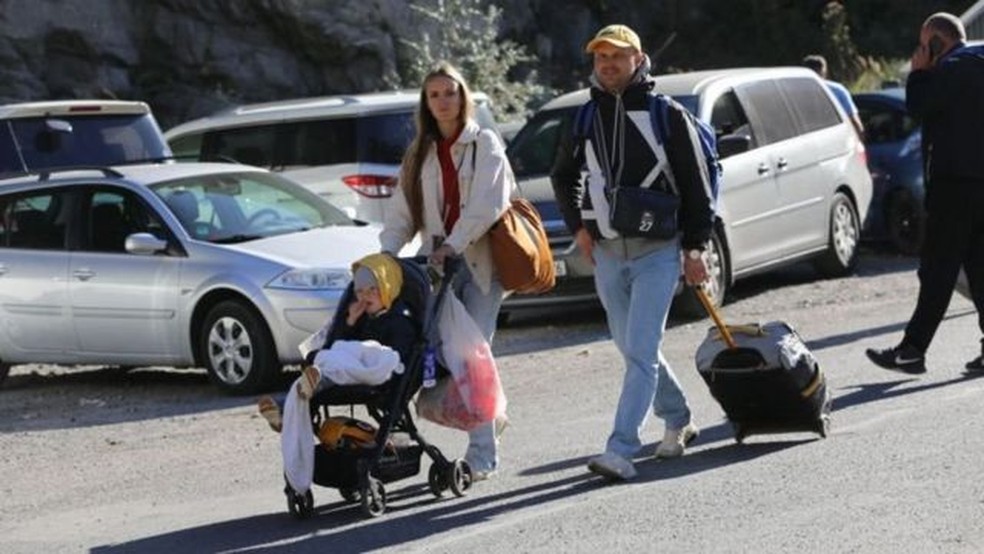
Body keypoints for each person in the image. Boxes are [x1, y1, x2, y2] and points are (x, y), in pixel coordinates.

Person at [551, 24, 715, 481]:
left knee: (641, 349)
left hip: (658, 251)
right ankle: (679, 417)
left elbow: (696, 185)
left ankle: (621, 449)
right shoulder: (584, 117)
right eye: (600, 57)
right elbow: (562, 176)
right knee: (632, 348)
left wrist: (696, 246)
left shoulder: (666, 114)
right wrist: (579, 229)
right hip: (606, 253)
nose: (607, 64)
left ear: (638, 60)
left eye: (617, 56)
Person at [379, 62, 513, 481]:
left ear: (463, 96)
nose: (442, 101)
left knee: (474, 356)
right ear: (425, 102)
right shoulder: (419, 153)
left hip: (480, 264)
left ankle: (481, 456)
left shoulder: (485, 143)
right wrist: (385, 254)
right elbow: (402, 213)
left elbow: (489, 204)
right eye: (434, 94)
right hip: (434, 267)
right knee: (432, 353)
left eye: (449, 93)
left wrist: (453, 244)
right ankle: (486, 415)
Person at [866, 12, 984, 374]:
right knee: (979, 268)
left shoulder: (951, 70)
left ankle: (912, 350)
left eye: (923, 44)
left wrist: (918, 73)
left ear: (936, 43)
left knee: (937, 270)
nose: (919, 51)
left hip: (955, 187)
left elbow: (917, 107)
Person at [256, 252, 415, 432]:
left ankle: (292, 404)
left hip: (378, 373)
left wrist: (364, 355)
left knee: (328, 368)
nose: (365, 296)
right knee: (318, 358)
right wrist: (350, 321)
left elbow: (392, 359)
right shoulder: (361, 316)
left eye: (373, 289)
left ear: (387, 288)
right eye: (360, 291)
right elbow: (339, 346)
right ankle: (289, 412)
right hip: (349, 367)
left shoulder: (400, 321)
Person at [802, 54, 865, 139]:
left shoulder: (792, 92)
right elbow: (854, 122)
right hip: (836, 140)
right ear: (823, 71)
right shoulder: (836, 90)